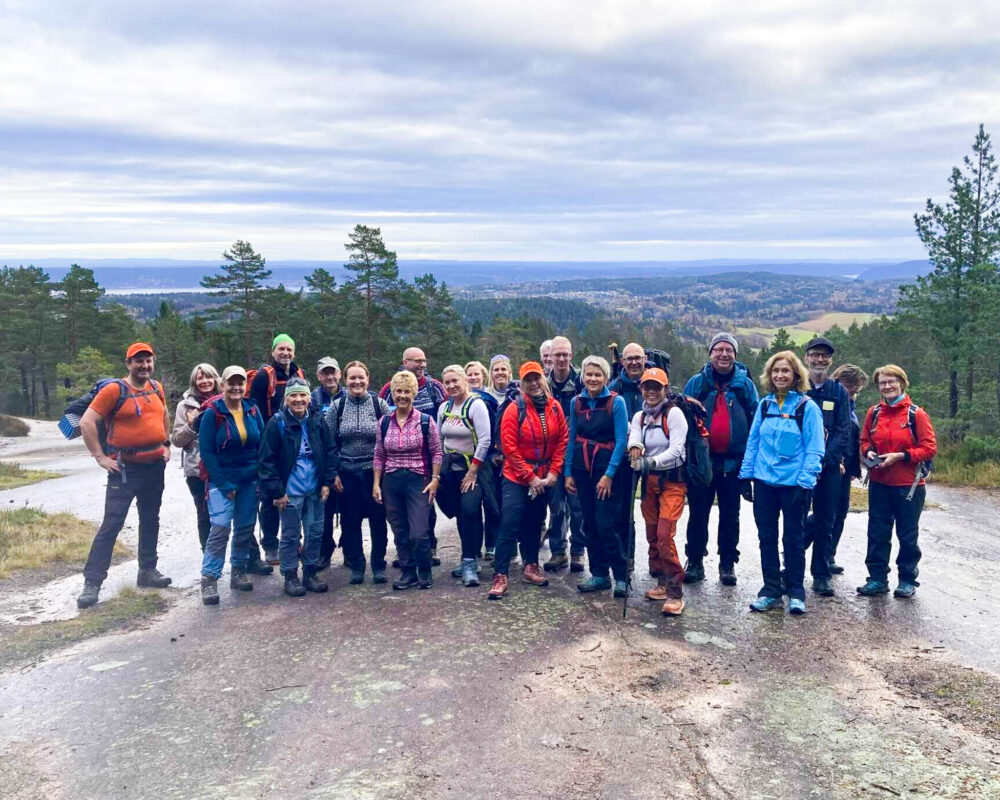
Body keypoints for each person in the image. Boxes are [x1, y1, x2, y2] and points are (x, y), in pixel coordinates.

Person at [76, 343, 173, 609]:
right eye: (138, 361)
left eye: (148, 360)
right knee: (112, 524)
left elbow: (163, 414)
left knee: (150, 519)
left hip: (154, 466)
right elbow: (86, 422)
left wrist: (166, 443)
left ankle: (147, 571)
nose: (144, 365)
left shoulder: (156, 387)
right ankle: (92, 583)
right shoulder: (113, 391)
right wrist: (100, 457)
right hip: (124, 470)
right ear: (128, 363)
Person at [739, 351, 824, 615]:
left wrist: (805, 483)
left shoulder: (806, 408)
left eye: (785, 371)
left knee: (793, 539)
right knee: (767, 538)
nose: (780, 376)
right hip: (765, 483)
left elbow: (815, 448)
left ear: (796, 375)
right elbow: (753, 443)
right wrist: (746, 475)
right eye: (776, 371)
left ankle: (796, 592)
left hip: (794, 486)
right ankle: (771, 590)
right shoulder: (765, 406)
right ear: (769, 375)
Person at [683, 333, 759, 586]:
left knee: (730, 515)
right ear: (710, 353)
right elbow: (682, 419)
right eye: (719, 349)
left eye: (729, 350)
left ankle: (727, 563)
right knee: (698, 513)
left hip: (733, 463)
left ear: (735, 355)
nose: (724, 354)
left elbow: (756, 422)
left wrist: (750, 464)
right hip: (701, 462)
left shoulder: (745, 385)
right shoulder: (696, 382)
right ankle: (694, 561)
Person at [487, 362, 568, 600]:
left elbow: (562, 440)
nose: (533, 384)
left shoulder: (555, 408)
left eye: (537, 379)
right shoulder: (515, 409)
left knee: (534, 522)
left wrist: (553, 473)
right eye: (528, 380)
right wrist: (530, 477)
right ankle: (500, 574)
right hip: (516, 477)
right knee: (510, 522)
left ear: (543, 379)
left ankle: (531, 565)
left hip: (542, 477)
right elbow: (509, 447)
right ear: (521, 383)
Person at [857, 365, 937, 599]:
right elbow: (864, 441)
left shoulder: (916, 414)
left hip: (908, 486)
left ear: (902, 382)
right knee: (877, 533)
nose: (887, 386)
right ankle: (877, 579)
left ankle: (907, 580)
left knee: (907, 535)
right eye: (882, 383)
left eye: (891, 381)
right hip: (880, 483)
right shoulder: (874, 413)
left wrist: (901, 456)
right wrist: (868, 452)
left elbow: (929, 448)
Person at [258, 378, 338, 597]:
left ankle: (310, 572)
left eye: (302, 395)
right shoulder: (277, 423)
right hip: (289, 492)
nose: (298, 399)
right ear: (286, 399)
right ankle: (290, 575)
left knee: (315, 532)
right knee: (291, 535)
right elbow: (266, 461)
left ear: (309, 398)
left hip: (315, 488)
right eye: (293, 395)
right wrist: (277, 492)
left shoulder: (317, 420)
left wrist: (327, 482)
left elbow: (330, 451)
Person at [197, 366, 265, 605]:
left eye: (240, 383)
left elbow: (262, 444)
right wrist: (224, 483)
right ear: (222, 385)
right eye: (231, 383)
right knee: (220, 528)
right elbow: (206, 451)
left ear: (245, 386)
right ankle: (209, 579)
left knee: (245, 527)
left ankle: (238, 570)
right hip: (221, 478)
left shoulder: (252, 409)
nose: (236, 387)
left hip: (250, 479)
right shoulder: (213, 413)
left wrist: (260, 476)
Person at [565, 355, 631, 596]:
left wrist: (609, 474)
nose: (592, 379)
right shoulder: (576, 402)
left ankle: (622, 576)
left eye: (597, 374)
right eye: (588, 374)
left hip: (607, 472)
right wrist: (568, 472)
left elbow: (622, 440)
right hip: (583, 470)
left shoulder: (617, 402)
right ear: (582, 376)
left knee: (607, 524)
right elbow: (572, 437)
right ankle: (599, 574)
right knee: (589, 523)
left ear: (605, 377)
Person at [374, 370, 444, 590]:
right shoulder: (384, 422)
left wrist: (435, 479)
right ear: (392, 394)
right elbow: (379, 454)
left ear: (413, 393)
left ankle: (424, 571)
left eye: (407, 391)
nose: (402, 396)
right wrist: (376, 483)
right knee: (400, 531)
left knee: (419, 532)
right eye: (398, 391)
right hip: (391, 481)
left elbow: (437, 451)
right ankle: (407, 572)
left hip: (418, 480)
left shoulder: (425, 421)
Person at [627, 367, 689, 616]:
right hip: (650, 483)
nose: (651, 391)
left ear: (665, 389)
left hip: (673, 482)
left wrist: (649, 462)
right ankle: (662, 582)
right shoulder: (640, 417)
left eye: (657, 387)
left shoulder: (674, 415)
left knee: (665, 534)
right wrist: (634, 447)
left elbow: (676, 451)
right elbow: (634, 437)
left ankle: (675, 591)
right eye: (647, 386)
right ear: (641, 388)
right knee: (652, 534)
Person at [325, 361, 391, 584]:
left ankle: (378, 565)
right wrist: (333, 473)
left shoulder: (378, 404)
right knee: (350, 521)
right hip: (346, 473)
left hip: (374, 473)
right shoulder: (337, 406)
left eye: (361, 377)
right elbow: (329, 442)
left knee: (378, 520)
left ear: (368, 379)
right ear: (345, 380)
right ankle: (356, 565)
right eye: (352, 378)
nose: (357, 382)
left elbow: (388, 439)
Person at [249, 333, 306, 570]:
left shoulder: (298, 373)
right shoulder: (264, 376)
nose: (285, 353)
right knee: (272, 495)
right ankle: (270, 543)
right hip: (272, 439)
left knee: (295, 492)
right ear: (273, 352)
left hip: (294, 440)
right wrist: (266, 442)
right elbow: (256, 409)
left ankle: (293, 540)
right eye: (281, 349)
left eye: (289, 349)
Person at [802, 337, 852, 597]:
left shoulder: (838, 391)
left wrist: (824, 461)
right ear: (806, 357)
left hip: (829, 469)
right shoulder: (797, 388)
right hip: (800, 468)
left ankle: (821, 575)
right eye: (815, 355)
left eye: (825, 356)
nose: (820, 360)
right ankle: (792, 571)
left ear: (830, 360)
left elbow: (843, 431)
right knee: (796, 520)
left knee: (825, 522)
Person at [436, 365, 494, 587]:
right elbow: (439, 439)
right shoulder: (444, 407)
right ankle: (470, 557)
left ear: (464, 380)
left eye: (455, 381)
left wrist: (473, 472)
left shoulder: (476, 405)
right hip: (451, 470)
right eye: (447, 382)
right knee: (459, 513)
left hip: (474, 469)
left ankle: (470, 563)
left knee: (470, 511)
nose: (451, 386)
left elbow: (485, 440)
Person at [543, 335, 585, 572]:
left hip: (578, 454)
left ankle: (578, 551)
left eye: (564, 354)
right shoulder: (544, 384)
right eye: (556, 354)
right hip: (552, 456)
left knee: (578, 506)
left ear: (571, 355)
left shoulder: (581, 381)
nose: (560, 358)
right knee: (556, 506)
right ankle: (558, 552)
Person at [171, 363, 222, 552]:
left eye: (208, 377)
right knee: (204, 515)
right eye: (200, 378)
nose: (205, 381)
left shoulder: (228, 400)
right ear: (194, 381)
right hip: (196, 469)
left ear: (216, 378)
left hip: (226, 465)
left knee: (239, 513)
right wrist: (192, 426)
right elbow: (176, 440)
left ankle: (250, 560)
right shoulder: (184, 406)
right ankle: (209, 560)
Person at [827, 364, 868, 574]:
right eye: (853, 387)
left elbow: (851, 436)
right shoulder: (830, 401)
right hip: (831, 466)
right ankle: (793, 554)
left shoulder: (850, 405)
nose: (855, 392)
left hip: (846, 470)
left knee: (840, 513)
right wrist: (837, 459)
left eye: (858, 388)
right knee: (826, 514)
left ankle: (829, 556)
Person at [609, 342, 647, 566]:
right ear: (622, 361)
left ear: (645, 358)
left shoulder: (655, 382)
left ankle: (658, 561)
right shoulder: (615, 387)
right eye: (629, 358)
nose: (634, 362)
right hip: (623, 457)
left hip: (654, 457)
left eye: (638, 358)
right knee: (624, 509)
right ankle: (627, 557)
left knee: (656, 513)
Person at [465, 359, 501, 558]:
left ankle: (491, 544)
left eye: (476, 374)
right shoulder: (458, 401)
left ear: (483, 376)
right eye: (469, 374)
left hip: (488, 459)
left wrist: (496, 453)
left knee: (491, 502)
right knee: (471, 506)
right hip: (466, 459)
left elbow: (497, 428)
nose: (472, 377)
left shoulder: (488, 399)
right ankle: (474, 548)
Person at [311, 356, 344, 568]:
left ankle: (350, 547)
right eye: (325, 373)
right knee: (323, 510)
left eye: (333, 372)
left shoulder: (349, 394)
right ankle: (325, 549)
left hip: (348, 460)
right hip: (320, 463)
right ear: (319, 376)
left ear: (339, 374)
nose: (330, 376)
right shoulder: (312, 398)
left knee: (351, 509)